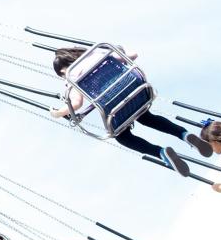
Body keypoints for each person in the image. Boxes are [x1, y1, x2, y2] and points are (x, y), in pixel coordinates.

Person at [48, 46, 210, 176]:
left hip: (114, 106)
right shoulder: (97, 52)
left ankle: (161, 153)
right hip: (138, 90)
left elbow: (76, 104)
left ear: (63, 70)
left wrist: (57, 113)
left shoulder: (72, 75)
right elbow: (133, 55)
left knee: (122, 136)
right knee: (146, 117)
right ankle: (184, 134)